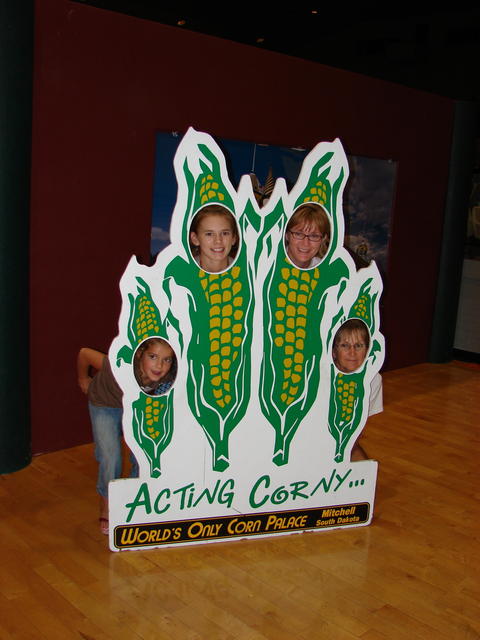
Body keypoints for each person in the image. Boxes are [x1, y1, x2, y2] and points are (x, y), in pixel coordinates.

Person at [77, 337, 176, 534]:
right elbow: (84, 352)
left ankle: (133, 497)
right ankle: (107, 503)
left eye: (167, 360)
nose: (159, 365)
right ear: (139, 355)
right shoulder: (118, 365)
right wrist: (83, 379)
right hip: (105, 403)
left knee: (143, 453)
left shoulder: (169, 376)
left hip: (136, 407)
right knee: (110, 456)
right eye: (153, 357)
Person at [332, 318, 383, 461]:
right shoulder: (322, 376)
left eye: (358, 346)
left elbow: (357, 430)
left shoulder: (373, 379)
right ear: (334, 352)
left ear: (367, 350)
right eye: (344, 345)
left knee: (362, 471)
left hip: (344, 440)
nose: (352, 352)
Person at [189, 204, 238, 273]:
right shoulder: (183, 274)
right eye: (209, 234)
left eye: (225, 233)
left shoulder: (247, 274)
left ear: (233, 238)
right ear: (195, 239)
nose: (218, 240)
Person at [285, 203, 330, 269]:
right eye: (298, 234)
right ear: (287, 235)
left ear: (323, 239)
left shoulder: (325, 270)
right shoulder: (270, 263)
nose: (305, 243)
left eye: (314, 236)